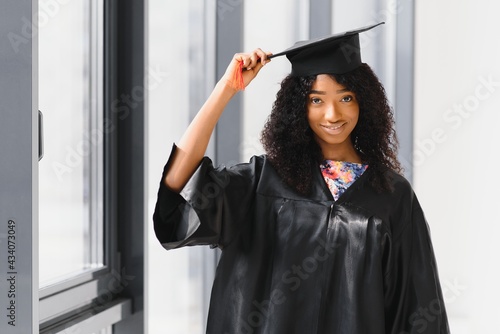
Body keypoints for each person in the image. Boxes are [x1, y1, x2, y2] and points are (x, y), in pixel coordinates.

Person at [153, 23, 450, 334]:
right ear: (297, 108)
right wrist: (226, 89)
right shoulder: (261, 183)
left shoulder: (392, 195)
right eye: (316, 100)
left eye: (346, 98)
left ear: (366, 101)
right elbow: (180, 188)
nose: (333, 114)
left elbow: (418, 307)